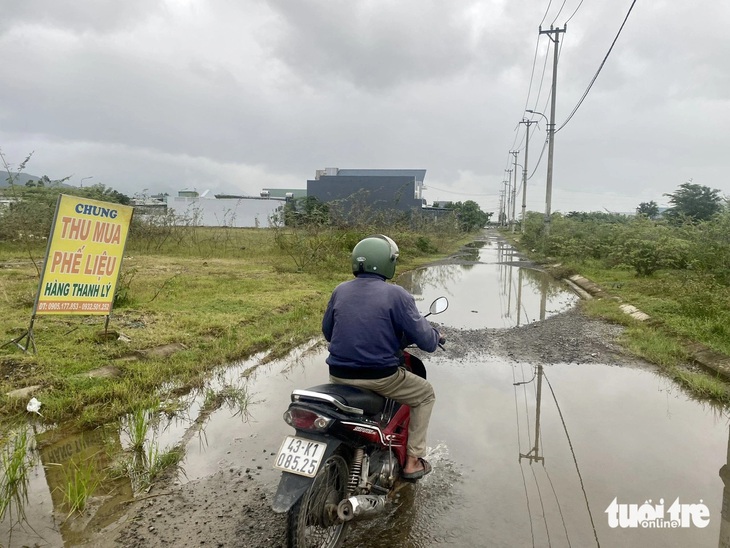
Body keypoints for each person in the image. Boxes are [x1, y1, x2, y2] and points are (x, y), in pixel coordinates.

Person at [322, 234, 444, 480]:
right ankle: (412, 462)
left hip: (338, 376)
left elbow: (328, 331)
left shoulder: (340, 290)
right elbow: (427, 342)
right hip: (380, 377)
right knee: (425, 394)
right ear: (387, 263)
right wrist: (436, 336)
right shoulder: (397, 295)